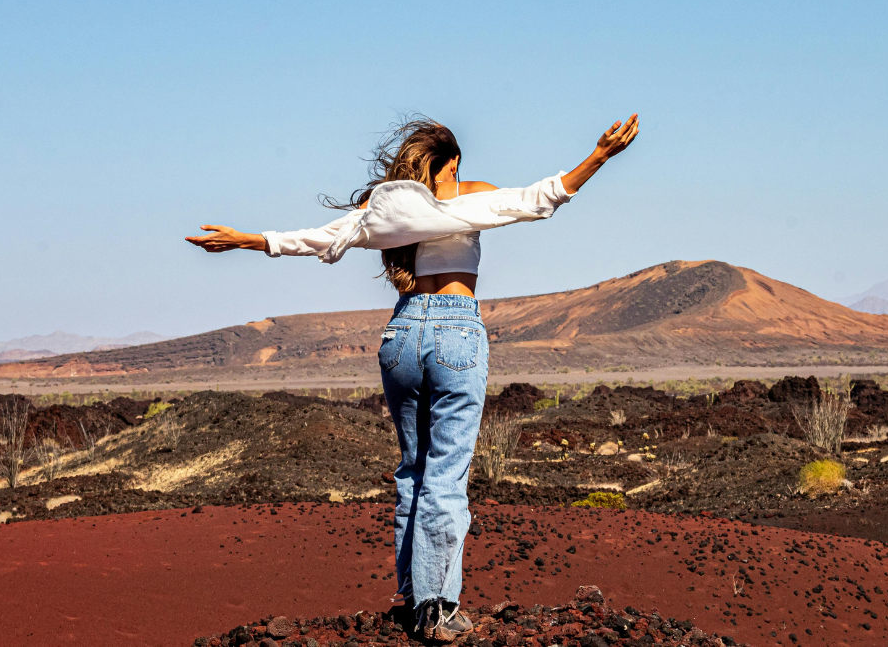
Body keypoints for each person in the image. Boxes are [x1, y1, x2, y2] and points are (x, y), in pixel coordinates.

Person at [186, 113, 638, 641]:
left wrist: (248, 239)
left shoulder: (391, 210)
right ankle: (438, 610)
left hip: (401, 335)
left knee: (414, 472)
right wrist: (601, 155)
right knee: (446, 476)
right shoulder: (470, 197)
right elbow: (542, 197)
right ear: (454, 163)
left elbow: (321, 237)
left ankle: (413, 597)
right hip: (455, 332)